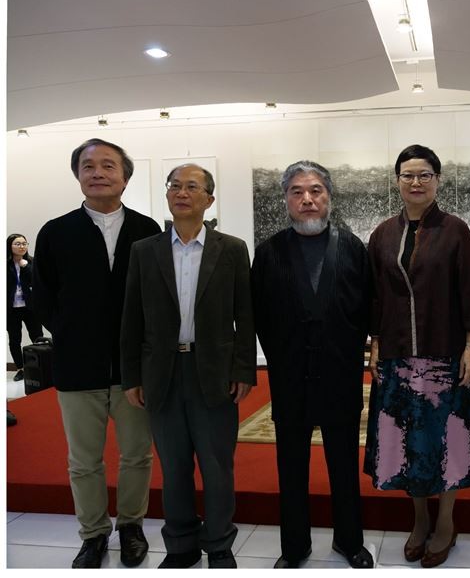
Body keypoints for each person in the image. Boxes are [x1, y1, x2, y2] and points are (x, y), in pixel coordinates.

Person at [32, 138, 161, 568]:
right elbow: (43, 297)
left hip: (133, 370)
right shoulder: (56, 231)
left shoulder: (147, 229)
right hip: (77, 365)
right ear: (78, 175)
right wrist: (72, 333)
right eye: (88, 166)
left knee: (137, 455)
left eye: (108, 165)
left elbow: (156, 297)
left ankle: (131, 526)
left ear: (125, 177)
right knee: (83, 461)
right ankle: (93, 534)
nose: (98, 173)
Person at [120, 164, 256, 569]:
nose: (181, 193)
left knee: (217, 466)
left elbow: (245, 315)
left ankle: (219, 543)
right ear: (167, 195)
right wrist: (132, 376)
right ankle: (180, 545)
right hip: (162, 374)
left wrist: (243, 370)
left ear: (208, 199)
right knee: (174, 466)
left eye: (192, 187)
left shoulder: (231, 249)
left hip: (213, 372)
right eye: (175, 186)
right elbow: (131, 319)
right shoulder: (144, 251)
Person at [364, 144, 470, 569]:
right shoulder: (382, 234)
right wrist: (376, 341)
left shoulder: (455, 230)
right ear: (397, 181)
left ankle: (446, 521)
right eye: (408, 175)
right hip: (398, 357)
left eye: (424, 175)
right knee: (407, 442)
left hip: (446, 354)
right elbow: (376, 295)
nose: (416, 182)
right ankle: (419, 518)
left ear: (437, 180)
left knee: (449, 441)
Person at [251, 160, 374, 569]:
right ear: (286, 199)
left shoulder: (352, 248)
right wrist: (281, 357)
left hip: (341, 375)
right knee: (291, 467)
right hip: (289, 377)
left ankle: (350, 541)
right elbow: (259, 315)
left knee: (344, 465)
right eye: (297, 191)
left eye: (316, 190)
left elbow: (366, 309)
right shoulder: (268, 253)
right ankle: (294, 547)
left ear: (329, 197)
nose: (307, 199)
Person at [6, 233, 44, 381]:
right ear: (10, 246)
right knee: (15, 340)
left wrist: (26, 266)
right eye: (17, 244)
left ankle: (42, 366)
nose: (22, 246)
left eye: (24, 243)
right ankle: (20, 368)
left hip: (30, 307)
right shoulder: (5, 264)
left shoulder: (32, 262)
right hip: (11, 309)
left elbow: (37, 281)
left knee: (37, 337)